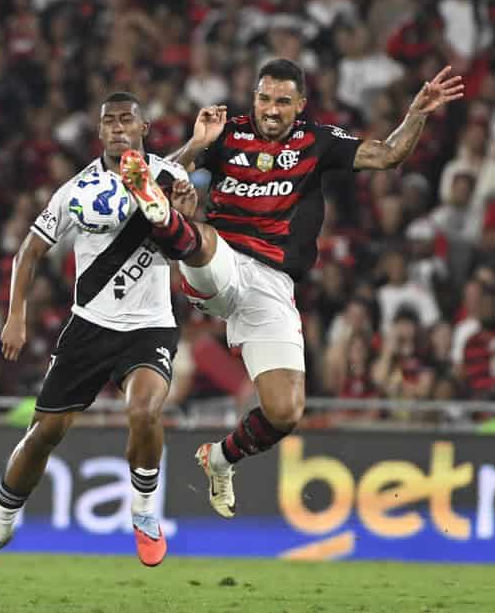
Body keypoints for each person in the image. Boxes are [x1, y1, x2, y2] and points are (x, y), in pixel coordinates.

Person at [151, 58, 462, 518]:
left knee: (285, 411)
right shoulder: (226, 134)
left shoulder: (317, 141)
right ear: (252, 97)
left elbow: (386, 154)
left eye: (281, 101)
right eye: (263, 98)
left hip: (272, 285)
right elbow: (157, 183)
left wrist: (416, 112)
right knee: (200, 236)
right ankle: (174, 232)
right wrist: (196, 145)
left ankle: (219, 459)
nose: (270, 109)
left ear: (300, 104)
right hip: (222, 261)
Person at [0, 92, 199, 583]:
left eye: (127, 119)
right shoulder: (76, 191)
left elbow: (195, 241)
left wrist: (190, 209)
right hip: (89, 326)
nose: (118, 128)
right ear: (99, 131)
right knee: (44, 434)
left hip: (150, 324)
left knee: (145, 411)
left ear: (145, 126)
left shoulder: (171, 178)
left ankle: (144, 511)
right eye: (109, 122)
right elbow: (28, 250)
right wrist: (15, 316)